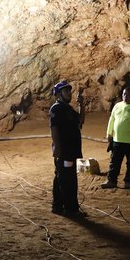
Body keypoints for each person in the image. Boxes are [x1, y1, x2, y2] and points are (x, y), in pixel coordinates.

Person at [48, 80, 86, 217]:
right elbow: (54, 129)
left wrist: (82, 104)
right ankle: (69, 208)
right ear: (58, 94)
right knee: (66, 179)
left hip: (71, 150)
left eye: (69, 91)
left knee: (63, 177)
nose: (69, 93)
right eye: (66, 91)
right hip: (64, 151)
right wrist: (58, 149)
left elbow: (80, 120)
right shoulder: (56, 108)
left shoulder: (68, 108)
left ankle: (58, 206)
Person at [101, 87, 130, 189]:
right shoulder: (117, 106)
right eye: (124, 94)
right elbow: (111, 119)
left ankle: (128, 182)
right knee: (114, 162)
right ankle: (111, 180)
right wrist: (109, 134)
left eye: (128, 95)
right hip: (117, 140)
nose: (126, 97)